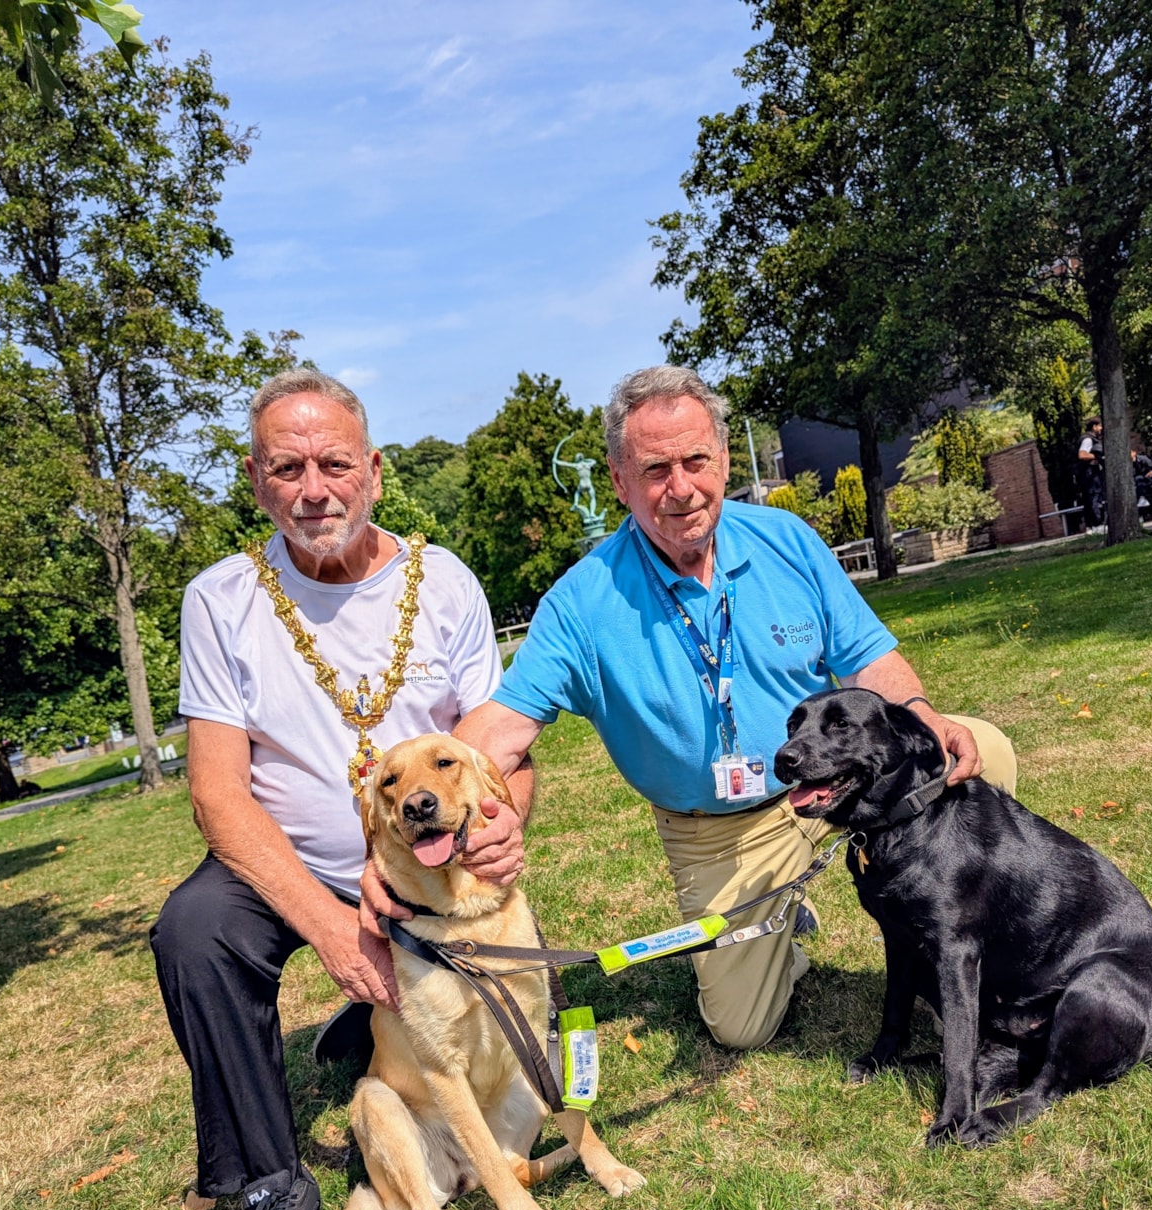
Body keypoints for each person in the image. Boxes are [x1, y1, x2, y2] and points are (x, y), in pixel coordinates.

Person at [363, 365, 1016, 1054]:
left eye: (697, 460)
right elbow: (498, 731)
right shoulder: (581, 604)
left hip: (836, 784)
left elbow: (867, 660)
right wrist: (411, 817)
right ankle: (785, 925)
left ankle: (971, 940)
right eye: (655, 470)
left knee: (981, 749)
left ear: (725, 458)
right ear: (619, 480)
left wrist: (920, 709)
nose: (681, 488)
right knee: (741, 1027)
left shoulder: (787, 541)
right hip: (719, 832)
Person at [151, 369, 527, 1210]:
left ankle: (377, 1040)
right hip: (286, 857)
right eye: (288, 467)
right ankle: (273, 1183)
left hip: (425, 856)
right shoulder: (221, 598)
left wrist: (506, 822)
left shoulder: (443, 582)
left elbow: (499, 740)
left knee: (464, 985)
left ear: (375, 472)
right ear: (256, 479)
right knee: (194, 933)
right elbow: (216, 793)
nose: (314, 488)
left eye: (334, 463)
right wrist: (329, 924)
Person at [1077, 418, 1106, 529]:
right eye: (1100, 426)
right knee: (1095, 497)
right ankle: (1097, 524)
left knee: (1091, 498)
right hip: (1090, 475)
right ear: (1094, 427)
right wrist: (1097, 457)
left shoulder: (1089, 439)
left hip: (1087, 475)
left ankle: (1092, 525)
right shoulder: (1088, 440)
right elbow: (1082, 455)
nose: (1101, 429)